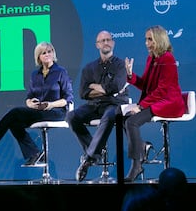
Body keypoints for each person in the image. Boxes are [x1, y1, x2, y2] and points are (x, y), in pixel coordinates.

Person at [0, 41, 73, 166]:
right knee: (14, 123)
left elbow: (68, 98)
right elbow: (29, 97)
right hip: (39, 111)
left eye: (49, 51)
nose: (47, 54)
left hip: (57, 111)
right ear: (38, 57)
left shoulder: (61, 72)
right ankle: (34, 153)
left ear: (53, 53)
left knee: (15, 112)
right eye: (44, 53)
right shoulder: (35, 75)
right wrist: (30, 104)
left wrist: (51, 104)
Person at [122, 25, 185, 182]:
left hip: (169, 102)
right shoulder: (151, 58)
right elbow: (146, 85)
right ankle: (141, 147)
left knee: (131, 122)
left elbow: (163, 90)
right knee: (126, 119)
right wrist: (130, 75)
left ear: (159, 39)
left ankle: (137, 165)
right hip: (157, 100)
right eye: (146, 39)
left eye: (150, 39)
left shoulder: (167, 58)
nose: (146, 43)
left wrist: (141, 106)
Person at [66, 30, 129, 182]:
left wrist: (97, 87)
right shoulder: (89, 68)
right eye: (102, 40)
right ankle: (93, 152)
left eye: (108, 39)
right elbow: (83, 93)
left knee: (109, 116)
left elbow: (116, 87)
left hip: (115, 104)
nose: (106, 42)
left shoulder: (121, 65)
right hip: (95, 105)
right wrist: (106, 90)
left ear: (113, 42)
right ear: (97, 45)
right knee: (71, 115)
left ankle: (89, 158)